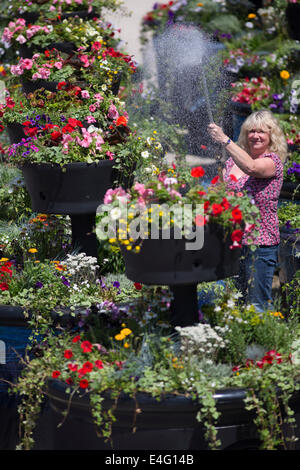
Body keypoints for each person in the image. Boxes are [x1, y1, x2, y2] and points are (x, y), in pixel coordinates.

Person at [207, 109, 288, 313]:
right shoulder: (232, 162)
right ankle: (238, 344)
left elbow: (251, 167)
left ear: (271, 137)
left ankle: (262, 345)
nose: (255, 135)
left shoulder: (272, 162)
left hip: (260, 243)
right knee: (235, 302)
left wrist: (225, 139)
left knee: (257, 305)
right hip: (233, 241)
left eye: (262, 131)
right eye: (251, 131)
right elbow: (221, 195)